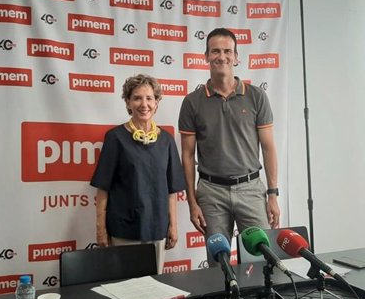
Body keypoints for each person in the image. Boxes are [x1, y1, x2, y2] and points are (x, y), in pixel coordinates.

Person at [178, 28, 280, 265]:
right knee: (218, 266)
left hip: (251, 189)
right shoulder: (192, 102)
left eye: (227, 51)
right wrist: (192, 203)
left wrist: (273, 194)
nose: (221, 56)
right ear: (206, 56)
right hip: (211, 192)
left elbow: (268, 147)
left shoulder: (256, 96)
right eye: (215, 51)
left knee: (261, 263)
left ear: (236, 57)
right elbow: (186, 155)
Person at [91, 74, 186, 274]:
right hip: (124, 228)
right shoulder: (115, 138)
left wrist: (173, 226)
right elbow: (103, 189)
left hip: (157, 227)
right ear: (128, 102)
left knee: (155, 288)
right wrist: (101, 229)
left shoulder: (167, 141)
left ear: (157, 102)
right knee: (126, 290)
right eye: (137, 98)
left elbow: (171, 191)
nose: (144, 104)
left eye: (149, 98)